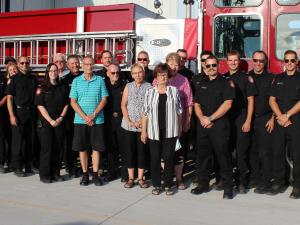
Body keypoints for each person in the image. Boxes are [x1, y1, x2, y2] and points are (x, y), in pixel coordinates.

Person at [192, 55, 235, 199]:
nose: (211, 68)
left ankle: (228, 188)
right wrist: (202, 118)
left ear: (218, 66)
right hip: (203, 124)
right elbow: (196, 104)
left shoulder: (225, 82)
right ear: (205, 67)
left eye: (214, 65)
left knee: (223, 156)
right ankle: (202, 184)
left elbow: (228, 104)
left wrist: (210, 118)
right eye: (208, 66)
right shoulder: (201, 83)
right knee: (202, 157)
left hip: (219, 125)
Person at [141, 63, 182, 195]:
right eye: (160, 75)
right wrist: (143, 131)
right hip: (153, 131)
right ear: (156, 77)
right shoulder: (149, 92)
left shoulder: (174, 91)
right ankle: (157, 185)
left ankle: (168, 185)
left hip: (170, 130)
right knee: (155, 158)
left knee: (169, 158)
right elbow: (145, 113)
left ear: (168, 76)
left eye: (165, 75)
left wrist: (180, 127)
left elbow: (179, 111)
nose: (162, 77)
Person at [154, 52, 193, 190]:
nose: (174, 67)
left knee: (178, 153)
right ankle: (166, 178)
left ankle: (179, 178)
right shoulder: (157, 80)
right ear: (166, 64)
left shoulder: (184, 80)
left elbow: (189, 102)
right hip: (161, 124)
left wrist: (187, 121)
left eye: (176, 64)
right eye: (171, 64)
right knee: (164, 153)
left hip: (179, 124)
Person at [70, 55, 108, 186]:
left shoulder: (100, 80)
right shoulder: (76, 81)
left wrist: (93, 115)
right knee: (83, 149)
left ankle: (96, 175)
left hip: (97, 120)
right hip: (80, 121)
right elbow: (73, 102)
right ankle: (85, 175)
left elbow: (104, 99)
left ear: (94, 65)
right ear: (82, 66)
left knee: (96, 149)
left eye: (91, 64)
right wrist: (85, 117)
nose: (88, 67)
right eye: (86, 64)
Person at [223, 50, 257, 193]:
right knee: (226, 152)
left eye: (235, 60)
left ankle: (242, 182)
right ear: (226, 62)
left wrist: (248, 120)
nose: (233, 63)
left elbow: (251, 101)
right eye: (230, 60)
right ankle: (226, 181)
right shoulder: (222, 78)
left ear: (239, 61)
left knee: (241, 153)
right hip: (225, 119)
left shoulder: (245, 78)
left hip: (241, 117)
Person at [268, 50, 300, 199]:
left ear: (297, 62)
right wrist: (280, 116)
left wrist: (287, 115)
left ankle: (297, 187)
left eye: (292, 61)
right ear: (284, 63)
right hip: (280, 120)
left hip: (295, 121)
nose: (289, 63)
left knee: (297, 155)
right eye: (286, 61)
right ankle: (278, 183)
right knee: (277, 152)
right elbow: (272, 100)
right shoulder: (278, 78)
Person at [35, 63, 69, 183]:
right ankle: (44, 174)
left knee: (58, 148)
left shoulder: (62, 86)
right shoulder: (42, 87)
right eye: (51, 71)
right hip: (45, 122)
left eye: (55, 71)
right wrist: (50, 120)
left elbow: (66, 104)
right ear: (47, 73)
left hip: (59, 121)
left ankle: (56, 173)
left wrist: (60, 118)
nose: (53, 73)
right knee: (47, 148)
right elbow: (40, 106)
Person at [5, 56, 37, 177]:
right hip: (18, 113)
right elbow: (9, 98)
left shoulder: (33, 78)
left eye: (27, 63)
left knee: (30, 141)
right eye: (22, 63)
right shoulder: (13, 79)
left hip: (31, 113)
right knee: (17, 141)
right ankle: (17, 167)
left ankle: (28, 166)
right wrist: (12, 115)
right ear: (18, 64)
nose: (24, 65)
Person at [121, 63, 151, 188]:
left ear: (143, 73)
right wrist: (129, 121)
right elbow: (123, 104)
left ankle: (140, 178)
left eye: (140, 72)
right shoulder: (128, 86)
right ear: (131, 74)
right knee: (129, 151)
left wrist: (140, 123)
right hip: (128, 126)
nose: (137, 75)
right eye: (135, 73)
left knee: (141, 152)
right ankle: (131, 178)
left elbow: (150, 106)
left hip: (142, 126)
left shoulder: (149, 86)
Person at [248, 50, 274, 193]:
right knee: (252, 150)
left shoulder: (272, 78)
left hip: (266, 119)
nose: (258, 63)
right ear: (252, 61)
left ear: (265, 62)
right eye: (256, 60)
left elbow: (278, 101)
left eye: (261, 61)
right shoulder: (247, 77)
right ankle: (255, 178)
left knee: (265, 152)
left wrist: (273, 118)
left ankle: (266, 181)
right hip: (250, 119)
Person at [104, 64, 127, 181]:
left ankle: (124, 174)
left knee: (123, 148)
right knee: (110, 148)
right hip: (108, 120)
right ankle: (111, 172)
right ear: (108, 73)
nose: (115, 75)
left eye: (117, 72)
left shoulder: (125, 85)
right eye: (113, 73)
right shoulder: (103, 86)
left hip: (122, 119)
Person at [61, 54, 82, 178]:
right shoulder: (65, 80)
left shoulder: (85, 77)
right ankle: (71, 167)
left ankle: (83, 166)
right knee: (70, 143)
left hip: (83, 115)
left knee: (83, 142)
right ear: (67, 66)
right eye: (72, 63)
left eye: (76, 62)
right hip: (70, 116)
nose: (75, 65)